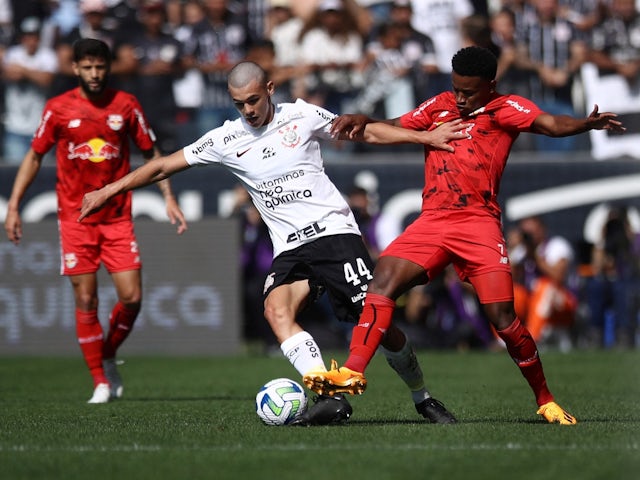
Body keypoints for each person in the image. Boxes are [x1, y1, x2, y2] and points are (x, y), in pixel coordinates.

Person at [78, 60, 468, 426]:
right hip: (290, 249)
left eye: (252, 100)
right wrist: (109, 189)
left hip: (334, 235)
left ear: (269, 89)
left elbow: (362, 130)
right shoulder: (225, 138)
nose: (247, 110)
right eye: (238, 104)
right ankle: (330, 395)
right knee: (275, 310)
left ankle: (423, 397)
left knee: (380, 327)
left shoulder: (303, 115)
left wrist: (424, 136)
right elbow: (163, 164)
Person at [304, 45, 626, 425]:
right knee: (382, 282)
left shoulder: (506, 108)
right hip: (433, 220)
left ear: (490, 85)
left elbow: (551, 125)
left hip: (478, 223)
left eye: (469, 91)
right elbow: (399, 123)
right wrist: (365, 119)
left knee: (503, 318)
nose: (460, 97)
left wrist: (584, 124)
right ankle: (353, 372)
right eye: (456, 88)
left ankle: (545, 399)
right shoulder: (438, 105)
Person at [3, 38, 187, 404]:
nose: (94, 74)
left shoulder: (126, 106)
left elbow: (153, 154)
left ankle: (105, 352)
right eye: (87, 67)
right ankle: (100, 380)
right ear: (75, 69)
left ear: (108, 67)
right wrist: (13, 206)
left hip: (117, 217)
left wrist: (169, 197)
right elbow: (35, 156)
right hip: (75, 219)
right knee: (86, 299)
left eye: (100, 67)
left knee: (131, 298)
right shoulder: (57, 109)